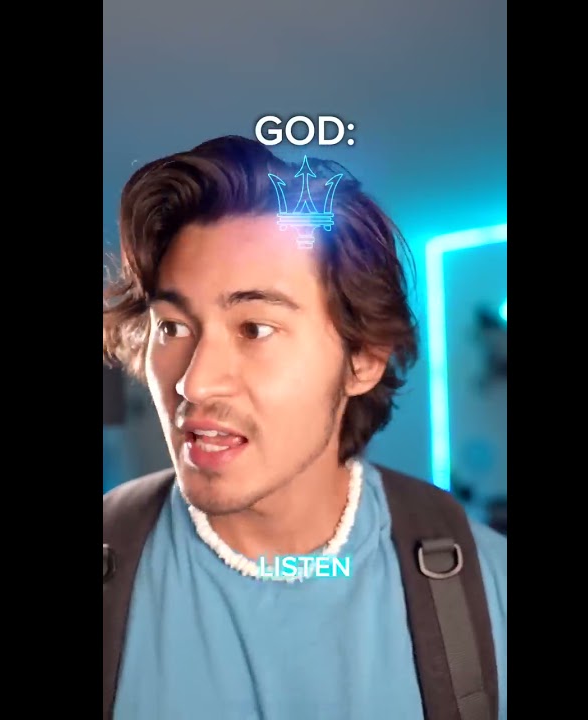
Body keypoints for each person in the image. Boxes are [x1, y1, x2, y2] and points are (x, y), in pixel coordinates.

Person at [102, 136, 507, 719]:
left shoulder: (486, 589)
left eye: (255, 329)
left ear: (363, 358)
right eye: (172, 328)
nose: (195, 383)